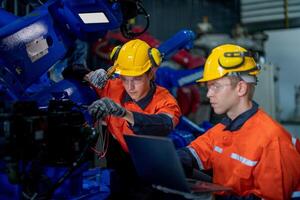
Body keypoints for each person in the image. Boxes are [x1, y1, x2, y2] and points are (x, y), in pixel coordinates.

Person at [178, 44, 300, 200]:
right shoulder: (224, 128)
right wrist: (167, 160)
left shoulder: (272, 140)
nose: (208, 94)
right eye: (208, 87)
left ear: (241, 88)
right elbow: (195, 153)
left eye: (215, 86)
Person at [86, 39, 181, 199]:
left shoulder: (165, 101)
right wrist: (91, 75)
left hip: (151, 168)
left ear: (151, 73)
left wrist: (123, 113)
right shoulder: (113, 87)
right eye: (125, 78)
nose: (130, 87)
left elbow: (163, 124)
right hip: (120, 165)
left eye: (136, 79)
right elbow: (75, 70)